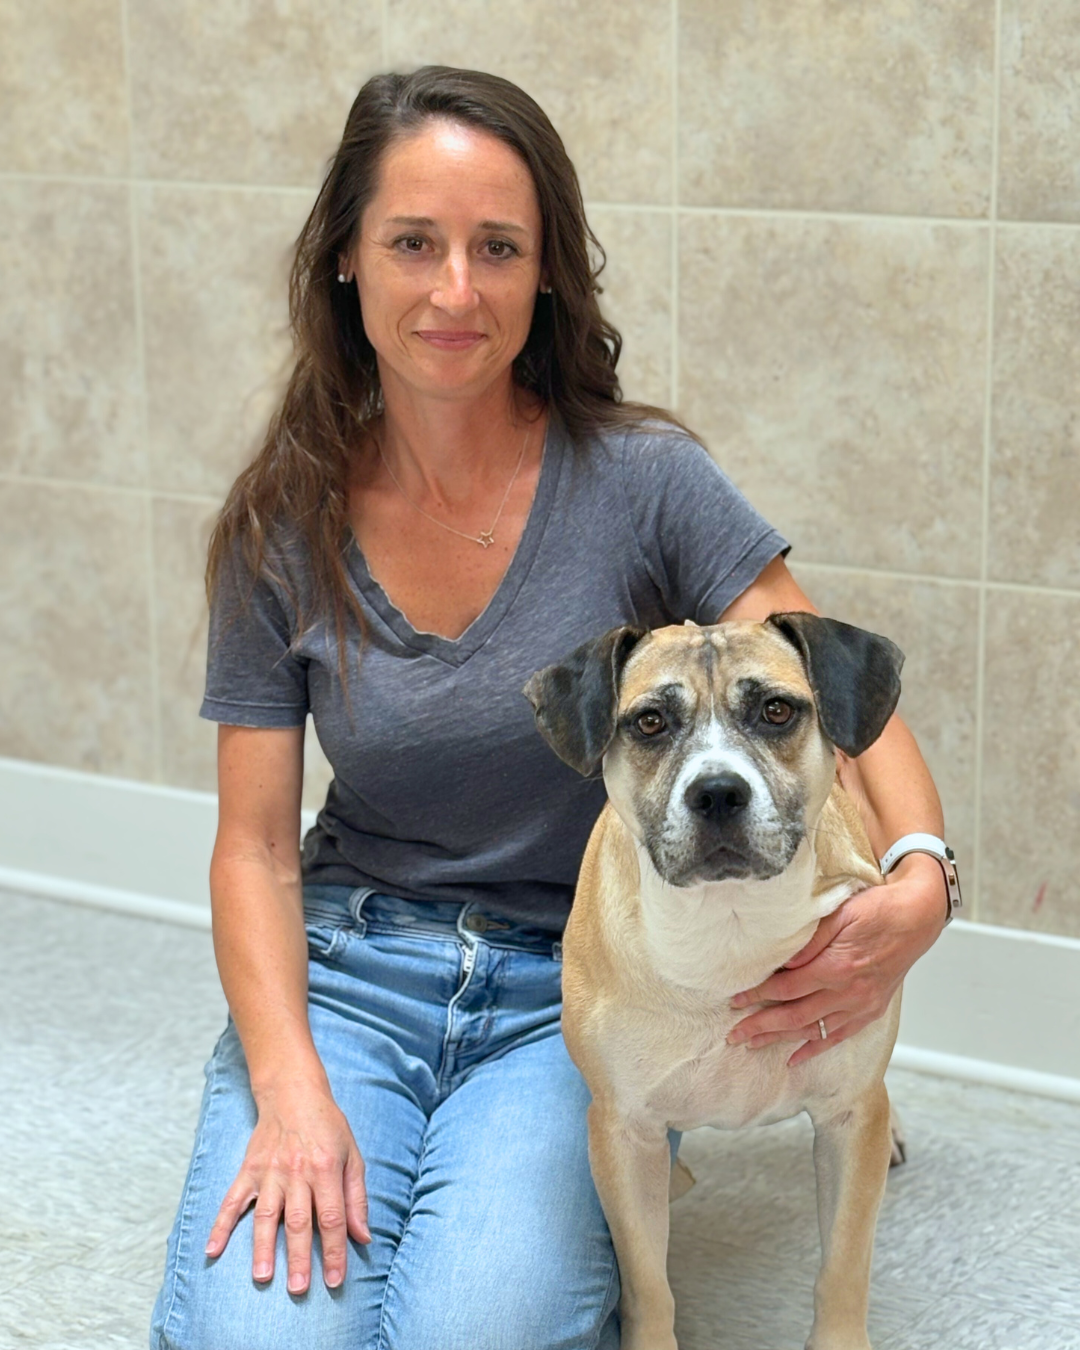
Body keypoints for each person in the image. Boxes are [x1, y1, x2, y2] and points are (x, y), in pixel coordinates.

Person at [150, 66, 952, 1350]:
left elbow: (830, 698)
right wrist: (289, 1088)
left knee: (479, 1329)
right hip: (355, 969)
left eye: (498, 248)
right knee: (264, 1338)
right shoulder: (279, 525)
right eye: (413, 242)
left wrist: (922, 880)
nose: (455, 291)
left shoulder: (643, 479)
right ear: (347, 258)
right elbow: (252, 849)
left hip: (574, 989)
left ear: (546, 276)